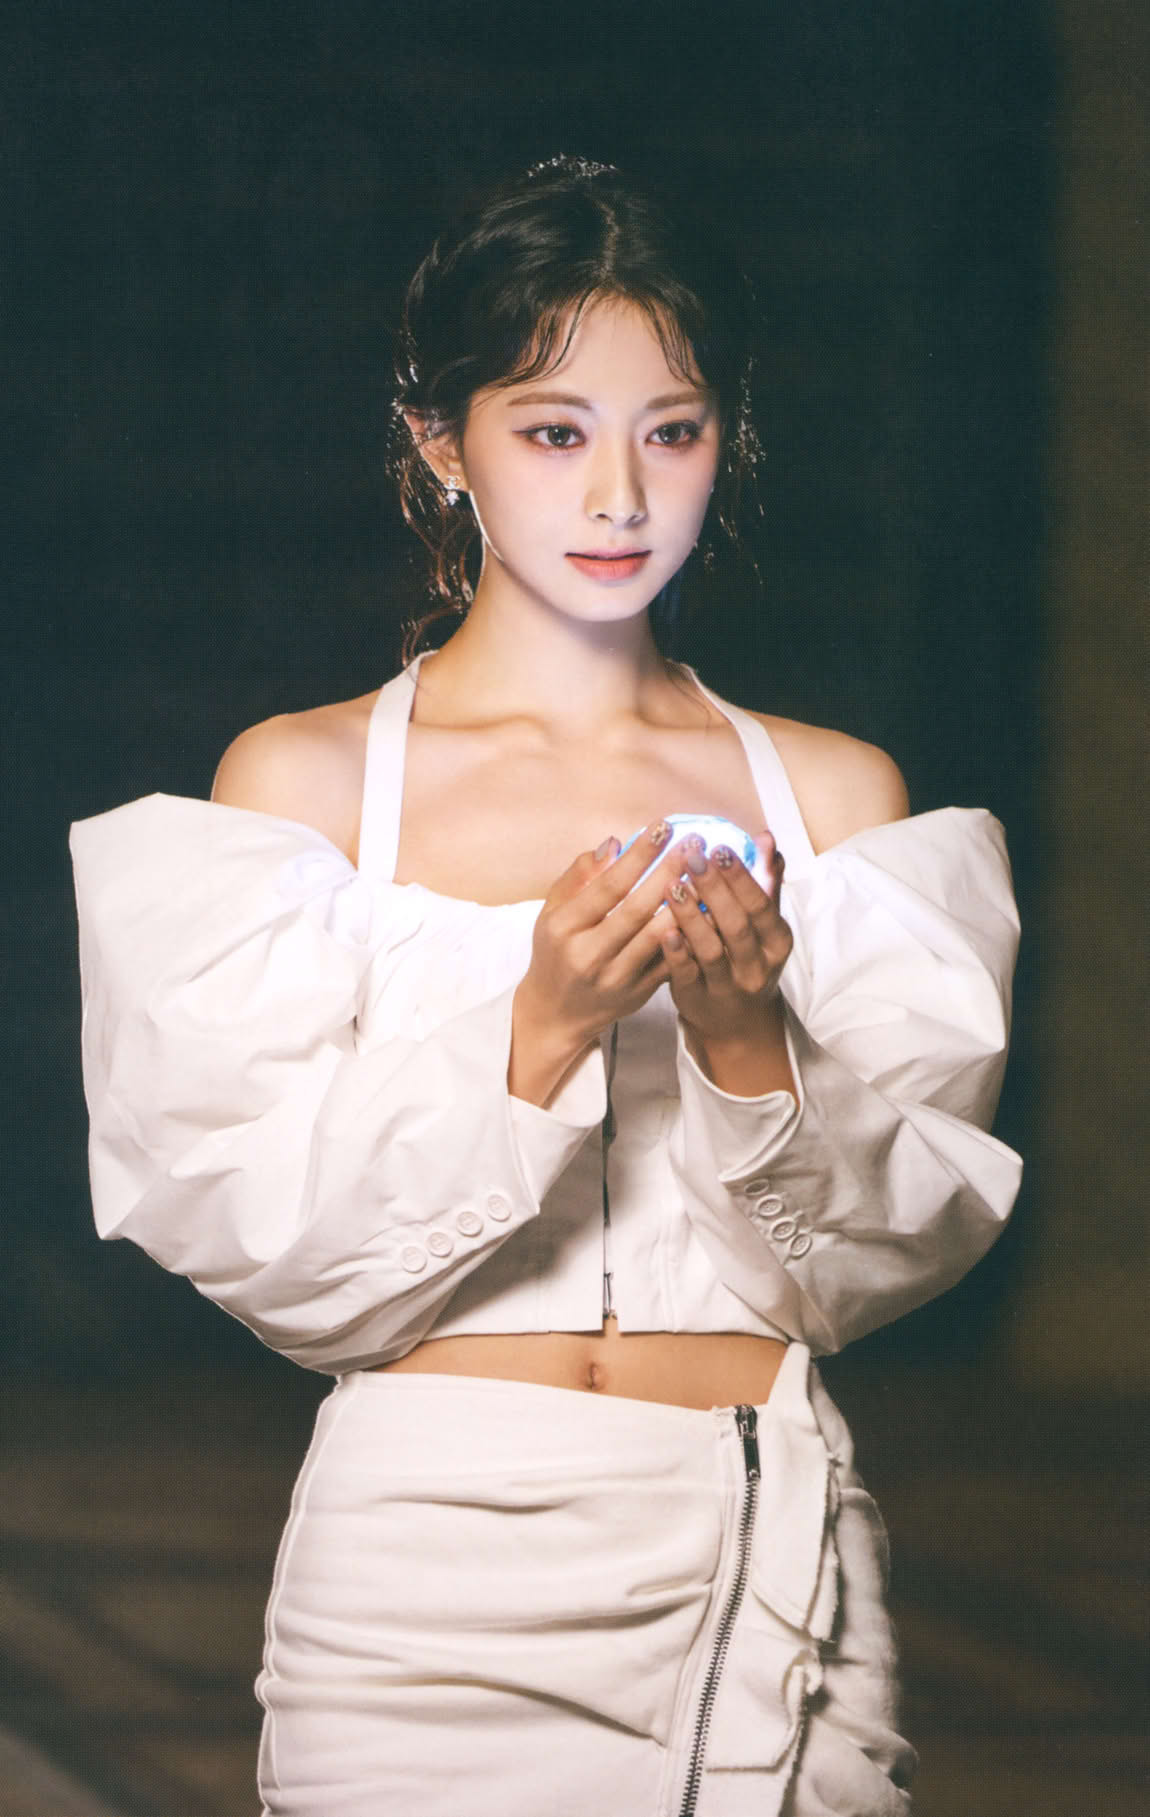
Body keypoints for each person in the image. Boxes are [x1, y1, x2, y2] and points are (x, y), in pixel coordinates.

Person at [70, 156, 1022, 1816]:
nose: (620, 496)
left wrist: (744, 1036)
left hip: (757, 1560)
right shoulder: (301, 790)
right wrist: (541, 1020)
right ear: (441, 443)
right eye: (554, 430)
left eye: (672, 430)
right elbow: (272, 1253)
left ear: (727, 437)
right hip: (421, 1591)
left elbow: (871, 1268)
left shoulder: (838, 802)